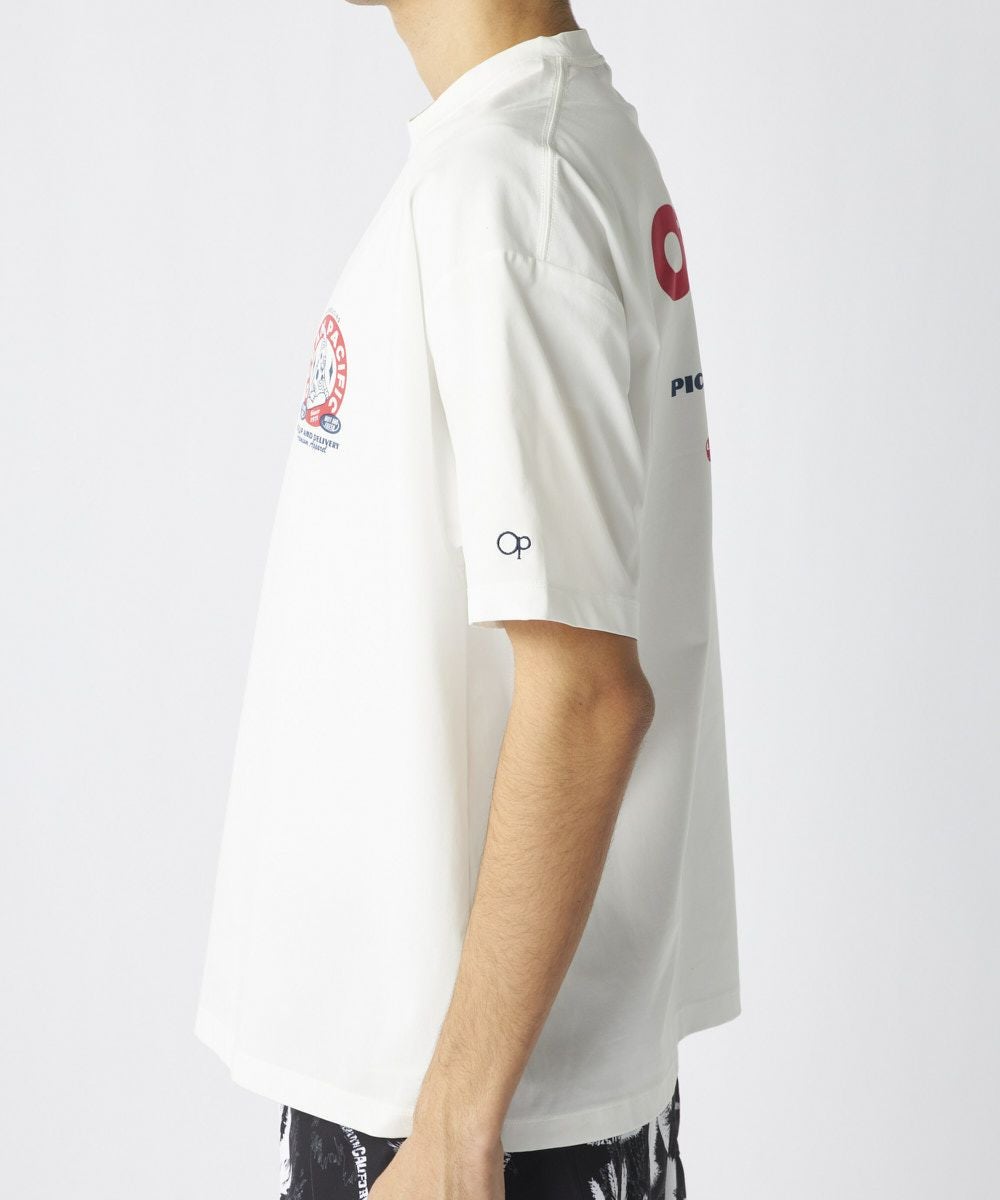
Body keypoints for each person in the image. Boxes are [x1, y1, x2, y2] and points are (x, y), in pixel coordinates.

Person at [194, 2, 741, 1197]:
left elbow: (588, 695)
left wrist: (452, 1126)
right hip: (473, 1095)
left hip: (465, 1122)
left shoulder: (510, 182)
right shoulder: (533, 150)